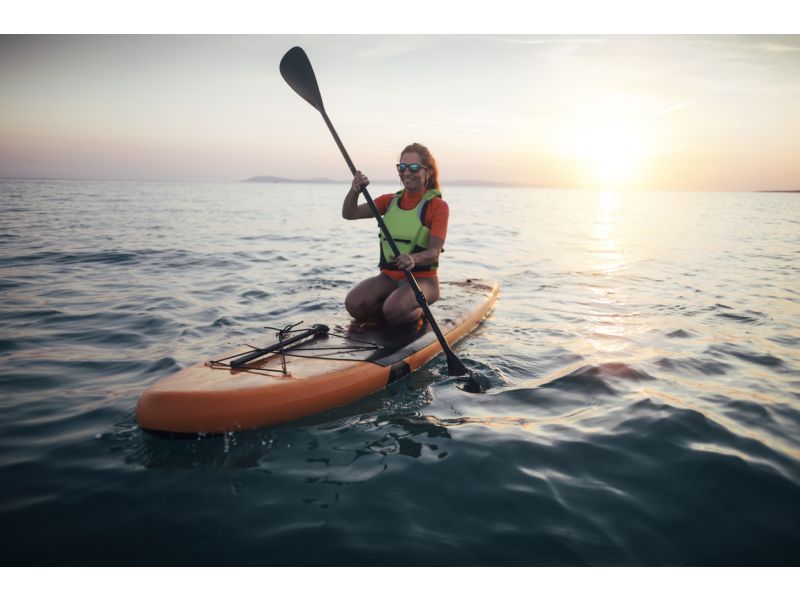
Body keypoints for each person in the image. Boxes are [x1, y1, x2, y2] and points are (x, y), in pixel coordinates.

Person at [342, 142, 449, 325]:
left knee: (394, 310)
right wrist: (355, 191)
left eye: (414, 167)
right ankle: (390, 307)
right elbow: (349, 214)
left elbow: (434, 252)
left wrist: (413, 259)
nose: (407, 172)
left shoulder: (437, 206)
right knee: (354, 304)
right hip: (389, 277)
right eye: (402, 167)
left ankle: (417, 311)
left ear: (427, 172)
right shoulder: (389, 201)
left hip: (424, 281)